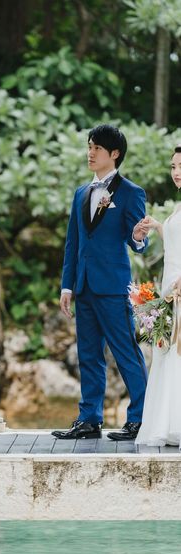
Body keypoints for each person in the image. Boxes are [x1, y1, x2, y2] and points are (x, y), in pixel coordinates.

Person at [52, 124, 150, 441]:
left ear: (115, 153)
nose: (90, 153)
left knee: (126, 353)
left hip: (112, 287)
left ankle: (140, 419)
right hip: (83, 287)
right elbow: (73, 243)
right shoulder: (81, 193)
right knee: (88, 355)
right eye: (89, 147)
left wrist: (138, 237)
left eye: (97, 148)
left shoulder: (131, 192)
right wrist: (67, 286)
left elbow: (137, 240)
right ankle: (89, 420)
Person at [134, 145, 181, 446]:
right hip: (169, 289)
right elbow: (176, 242)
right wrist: (158, 227)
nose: (176, 172)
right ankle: (170, 423)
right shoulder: (178, 207)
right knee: (168, 352)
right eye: (173, 167)